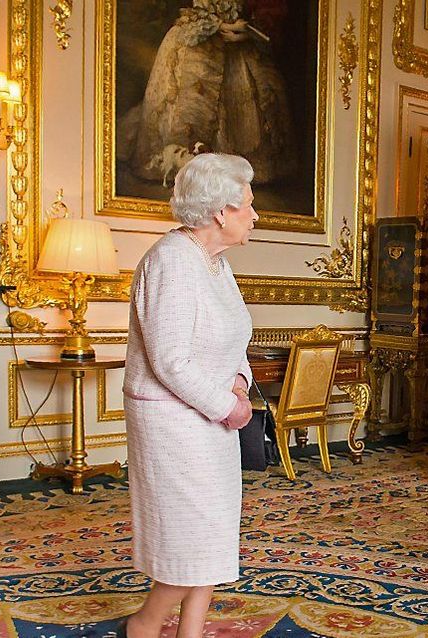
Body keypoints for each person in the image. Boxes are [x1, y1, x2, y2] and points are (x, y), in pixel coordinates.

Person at [121, 153, 258, 637]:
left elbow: (233, 335)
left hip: (213, 417)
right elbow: (170, 360)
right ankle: (146, 622)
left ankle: (190, 631)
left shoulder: (215, 263)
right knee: (189, 534)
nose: (254, 215)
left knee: (213, 532)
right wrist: (230, 407)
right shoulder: (171, 261)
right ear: (221, 211)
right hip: (173, 422)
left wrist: (239, 382)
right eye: (247, 205)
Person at [118, 0, 293, 185]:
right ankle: (187, 166)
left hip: (236, 46)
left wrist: (246, 33)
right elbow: (193, 16)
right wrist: (224, 25)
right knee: (188, 104)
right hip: (197, 41)